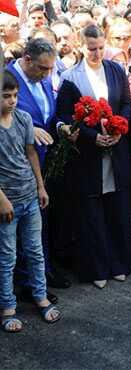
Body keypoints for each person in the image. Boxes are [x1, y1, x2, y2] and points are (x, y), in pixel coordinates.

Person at [56, 25, 131, 289]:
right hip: (87, 156)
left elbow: (126, 103)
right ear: (81, 46)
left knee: (117, 209)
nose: (97, 53)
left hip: (116, 149)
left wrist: (119, 128)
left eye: (101, 47)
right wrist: (91, 136)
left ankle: (120, 263)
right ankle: (97, 268)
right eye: (91, 48)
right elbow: (65, 115)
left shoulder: (115, 69)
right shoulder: (70, 77)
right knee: (92, 213)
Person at [6, 37, 73, 299]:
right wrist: (26, 127)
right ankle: (27, 283)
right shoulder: (6, 78)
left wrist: (60, 126)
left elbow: (49, 116)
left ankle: (41, 271)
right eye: (43, 69)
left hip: (43, 161)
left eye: (50, 69)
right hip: (16, 166)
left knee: (40, 222)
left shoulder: (41, 78)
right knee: (22, 227)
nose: (48, 74)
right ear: (26, 60)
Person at [0, 73, 61, 333]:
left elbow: (31, 153)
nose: (12, 101)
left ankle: (40, 296)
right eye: (6, 96)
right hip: (7, 202)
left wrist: (40, 185)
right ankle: (8, 306)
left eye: (15, 96)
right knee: (7, 256)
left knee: (36, 251)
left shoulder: (24, 119)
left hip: (30, 196)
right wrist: (2, 200)